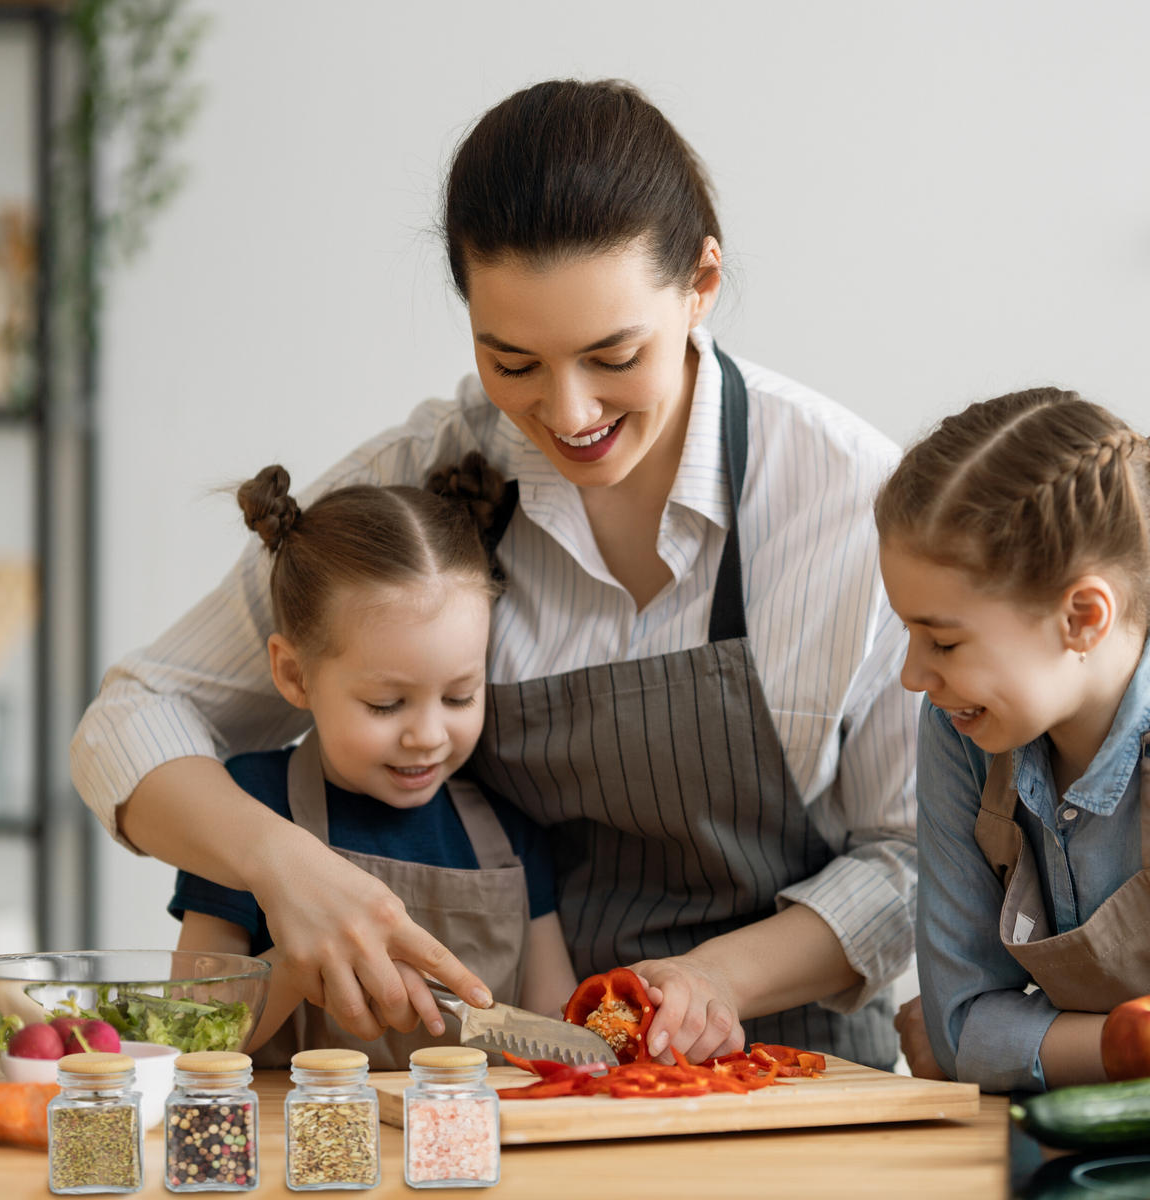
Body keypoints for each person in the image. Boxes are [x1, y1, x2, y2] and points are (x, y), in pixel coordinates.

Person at [71, 78, 919, 1069]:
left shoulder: (851, 499)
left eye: (614, 355)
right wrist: (282, 865)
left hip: (799, 1086)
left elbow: (916, 857)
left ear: (702, 284)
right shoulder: (426, 478)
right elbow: (133, 716)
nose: (567, 413)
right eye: (512, 362)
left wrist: (720, 979)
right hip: (505, 1095)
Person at [171, 454, 577, 1069]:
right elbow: (188, 1036)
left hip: (474, 1155)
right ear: (294, 674)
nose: (428, 735)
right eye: (387, 704)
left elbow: (555, 1024)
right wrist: (300, 960)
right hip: (299, 1151)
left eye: (460, 695)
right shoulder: (248, 805)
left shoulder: (508, 830)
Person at [875, 387, 1150, 1093]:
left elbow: (975, 1047)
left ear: (1082, 617)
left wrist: (1031, 1047)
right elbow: (959, 1028)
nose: (913, 675)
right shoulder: (962, 725)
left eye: (942, 640)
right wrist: (1124, 1047)